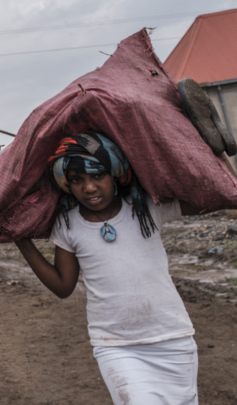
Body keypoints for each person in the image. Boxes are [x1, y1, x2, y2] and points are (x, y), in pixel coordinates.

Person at [16, 132, 206, 405]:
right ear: (66, 184)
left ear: (116, 173)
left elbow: (216, 195)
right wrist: (21, 240)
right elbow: (62, 287)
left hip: (172, 338)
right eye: (77, 180)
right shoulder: (69, 224)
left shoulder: (146, 208)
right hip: (115, 345)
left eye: (98, 176)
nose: (89, 188)